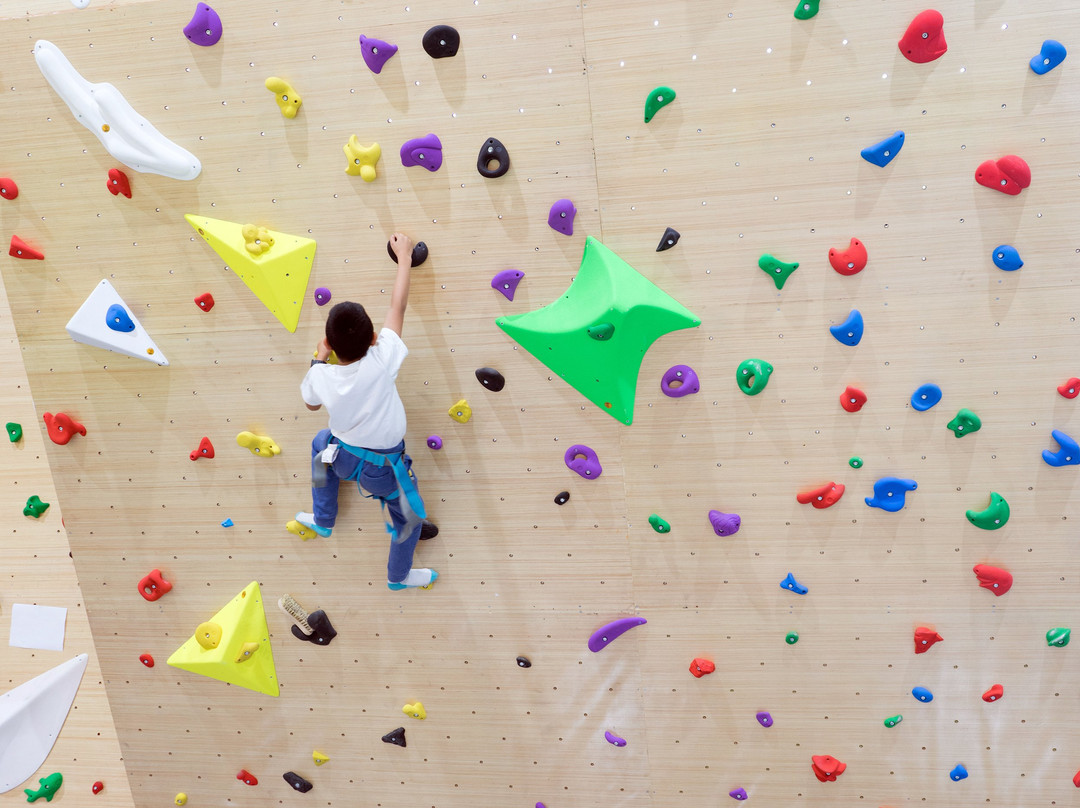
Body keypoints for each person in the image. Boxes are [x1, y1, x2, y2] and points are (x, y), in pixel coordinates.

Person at [292, 232, 438, 590]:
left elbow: (311, 404)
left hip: (341, 456)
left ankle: (324, 519)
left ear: (328, 344)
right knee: (411, 519)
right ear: (373, 338)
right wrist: (403, 258)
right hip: (383, 471)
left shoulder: (320, 373)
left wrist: (318, 359)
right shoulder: (382, 358)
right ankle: (398, 577)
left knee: (318, 444)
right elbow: (397, 308)